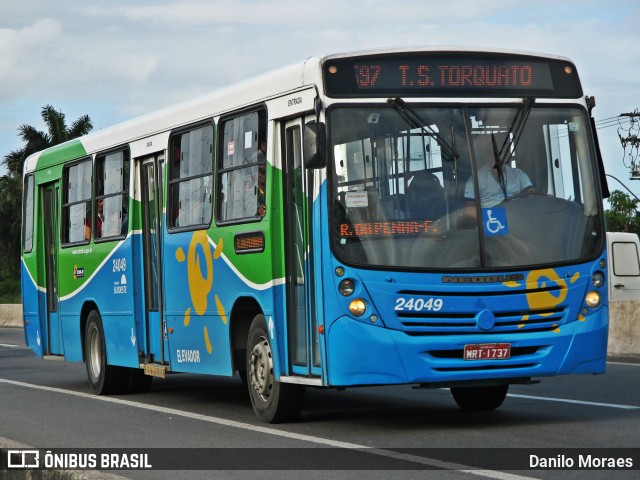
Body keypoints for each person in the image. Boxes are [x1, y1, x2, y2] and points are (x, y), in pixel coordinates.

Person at [464, 134, 534, 209]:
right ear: (487, 156)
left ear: (506, 155)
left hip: (518, 216)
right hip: (490, 218)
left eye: (500, 153)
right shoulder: (476, 178)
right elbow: (469, 207)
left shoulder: (518, 175)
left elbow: (533, 196)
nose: (497, 157)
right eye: (493, 154)